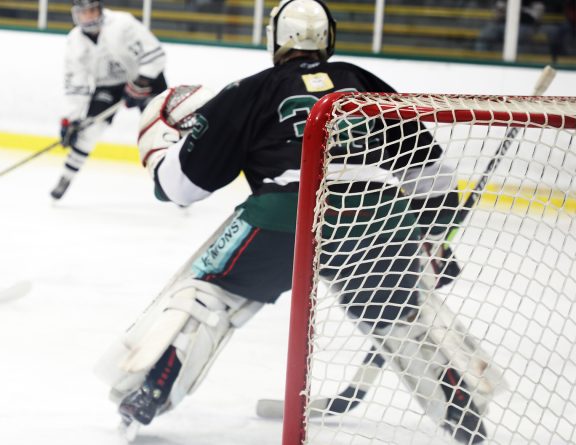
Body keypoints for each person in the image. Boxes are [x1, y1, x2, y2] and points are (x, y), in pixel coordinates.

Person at [95, 0, 503, 443]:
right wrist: (433, 237)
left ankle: (149, 392)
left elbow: (180, 189)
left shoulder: (250, 91)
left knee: (209, 295)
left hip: (287, 214)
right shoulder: (363, 83)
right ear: (328, 37)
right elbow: (430, 173)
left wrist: (160, 153)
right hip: (381, 215)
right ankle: (463, 415)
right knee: (400, 314)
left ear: (275, 38)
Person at [51, 0, 168, 200]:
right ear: (75, 15)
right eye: (84, 12)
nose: (89, 16)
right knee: (88, 130)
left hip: (145, 78)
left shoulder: (122, 23)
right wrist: (70, 119)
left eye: (92, 11)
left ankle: (172, 183)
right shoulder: (74, 42)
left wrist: (141, 82)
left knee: (161, 131)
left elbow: (155, 54)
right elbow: (76, 85)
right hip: (108, 85)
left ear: (100, 10)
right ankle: (66, 176)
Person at [475, 0, 545, 52]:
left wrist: (518, 13)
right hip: (503, 25)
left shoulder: (535, 2)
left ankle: (516, 63)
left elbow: (535, 17)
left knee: (518, 36)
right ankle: (479, 57)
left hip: (525, 26)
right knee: (488, 32)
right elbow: (497, 14)